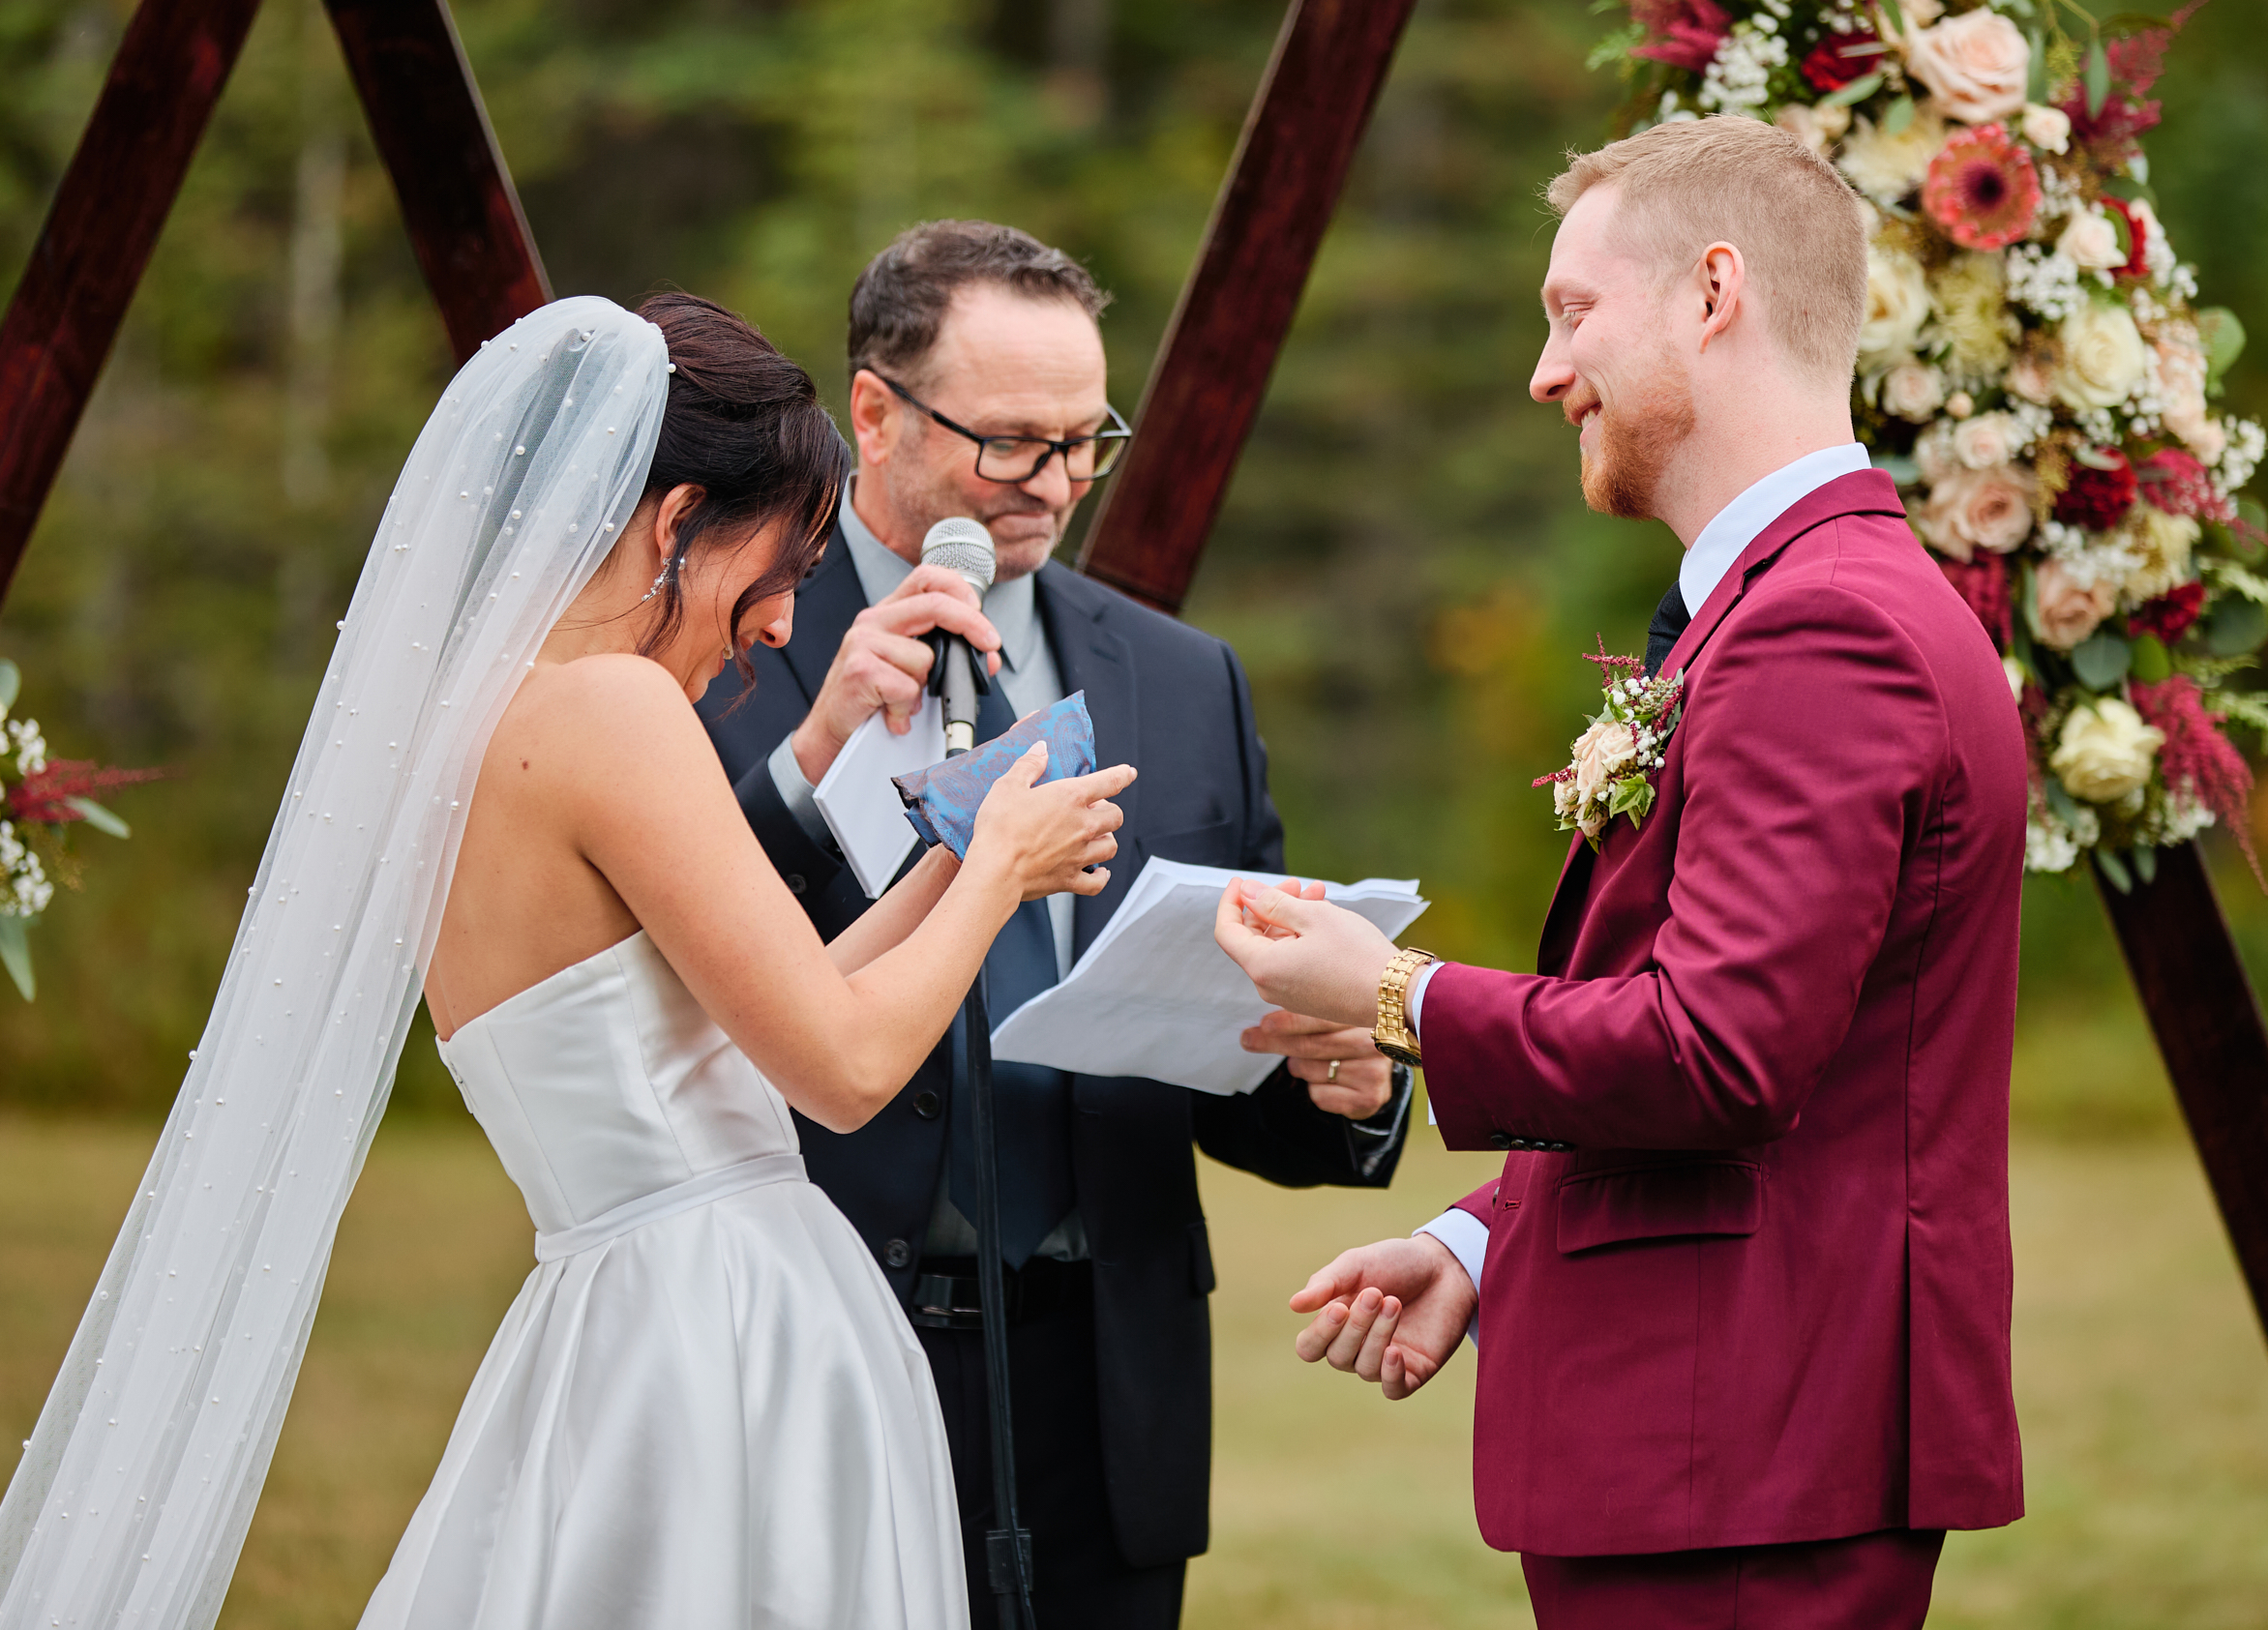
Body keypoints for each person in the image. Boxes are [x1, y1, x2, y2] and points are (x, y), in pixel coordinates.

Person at [0, 291, 1134, 1630]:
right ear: (674, 522)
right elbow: (843, 1067)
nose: (781, 625)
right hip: (719, 1331)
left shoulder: (478, 727)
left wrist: (960, 854)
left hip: (621, 1311)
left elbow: (781, 1006)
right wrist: (1000, 866)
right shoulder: (612, 710)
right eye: (780, 567)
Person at [1211, 117, 2028, 1627]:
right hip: (1729, 1435)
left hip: (1747, 1449)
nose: (1543, 372)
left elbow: (1719, 1053)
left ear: (1714, 293)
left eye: (1572, 312)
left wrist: (1393, 993)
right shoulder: (1792, 600)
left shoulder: (1820, 626)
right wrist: (1486, 1237)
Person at [698, 220, 1412, 1627]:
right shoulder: (737, 640)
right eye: (1014, 442)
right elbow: (669, 978)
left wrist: (1353, 1080)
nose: (1060, 484)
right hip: (836, 1337)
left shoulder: (1184, 677)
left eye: (1090, 441)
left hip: (1113, 1382)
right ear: (874, 413)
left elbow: (1231, 1051)